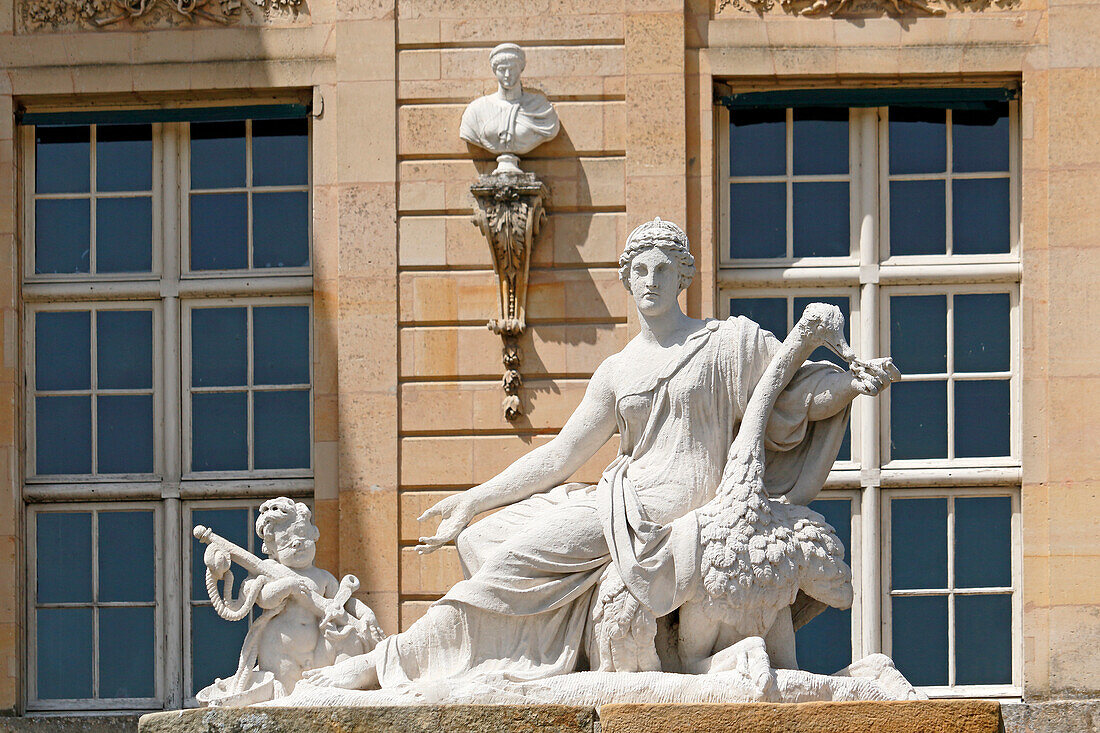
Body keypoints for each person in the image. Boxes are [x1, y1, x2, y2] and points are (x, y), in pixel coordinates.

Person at [303, 218, 893, 691]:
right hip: (623, 502)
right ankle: (491, 660)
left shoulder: (727, 342)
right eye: (640, 270)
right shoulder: (618, 370)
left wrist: (852, 384)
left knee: (513, 561)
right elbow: (561, 453)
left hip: (674, 509)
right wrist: (475, 498)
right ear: (627, 279)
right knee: (483, 537)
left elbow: (796, 394)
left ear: (685, 274)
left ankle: (387, 664)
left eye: (664, 268)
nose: (652, 280)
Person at [459, 42, 560, 173]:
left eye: (512, 68)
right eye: (502, 69)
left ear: (521, 69)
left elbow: (551, 130)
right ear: (495, 71)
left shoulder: (540, 108)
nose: (507, 74)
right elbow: (468, 133)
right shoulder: (477, 110)